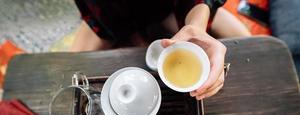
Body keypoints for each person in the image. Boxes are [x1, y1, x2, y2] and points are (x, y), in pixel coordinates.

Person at [71, 0, 249, 100]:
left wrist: (197, 26)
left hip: (170, 6)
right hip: (112, 12)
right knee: (71, 74)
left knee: (248, 42)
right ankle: (136, 33)